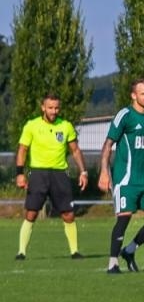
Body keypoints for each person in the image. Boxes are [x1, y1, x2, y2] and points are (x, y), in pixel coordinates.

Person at [99, 79, 144, 274]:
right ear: (133, 95)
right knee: (124, 218)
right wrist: (104, 172)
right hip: (126, 179)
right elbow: (108, 144)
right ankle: (113, 263)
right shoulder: (125, 115)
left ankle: (130, 250)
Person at [14, 94, 88, 260]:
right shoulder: (31, 126)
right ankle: (21, 252)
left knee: (68, 214)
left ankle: (74, 251)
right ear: (43, 108)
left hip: (59, 175)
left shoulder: (66, 126)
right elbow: (22, 150)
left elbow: (75, 150)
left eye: (56, 108)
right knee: (31, 213)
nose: (54, 111)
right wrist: (19, 174)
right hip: (38, 174)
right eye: (50, 108)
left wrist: (83, 172)